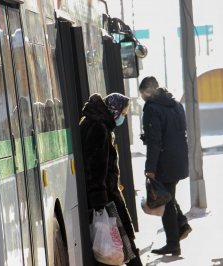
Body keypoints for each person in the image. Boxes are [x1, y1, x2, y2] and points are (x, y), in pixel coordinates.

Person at [80, 93, 143, 266]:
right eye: (122, 114)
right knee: (124, 245)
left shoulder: (95, 123)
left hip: (105, 197)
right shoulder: (99, 127)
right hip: (106, 199)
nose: (123, 117)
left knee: (115, 247)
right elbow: (96, 167)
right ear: (113, 110)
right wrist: (100, 203)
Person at [139, 76, 191, 256]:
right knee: (168, 196)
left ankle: (173, 244)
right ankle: (182, 225)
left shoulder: (152, 108)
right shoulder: (176, 104)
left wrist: (150, 169)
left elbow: (155, 141)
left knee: (165, 201)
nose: (142, 98)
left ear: (147, 92)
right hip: (179, 159)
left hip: (164, 162)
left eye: (142, 94)